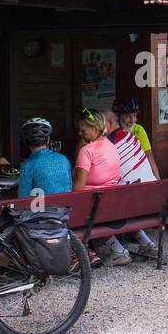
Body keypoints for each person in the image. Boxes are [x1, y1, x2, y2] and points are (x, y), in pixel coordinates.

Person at [73, 108, 131, 265]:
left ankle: (80, 252)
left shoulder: (86, 151)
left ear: (95, 129)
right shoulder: (112, 146)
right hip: (110, 205)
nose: (80, 133)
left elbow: (77, 189)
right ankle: (115, 250)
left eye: (82, 130)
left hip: (91, 208)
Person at [102, 111, 160, 259]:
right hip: (152, 200)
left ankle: (118, 251)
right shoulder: (131, 137)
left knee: (97, 207)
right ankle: (146, 243)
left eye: (99, 124)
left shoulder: (108, 145)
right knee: (126, 201)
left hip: (131, 204)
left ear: (108, 123)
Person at [17, 117, 71, 197]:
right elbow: (69, 188)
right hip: (66, 208)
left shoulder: (27, 165)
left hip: (42, 208)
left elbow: (22, 199)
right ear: (48, 140)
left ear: (25, 142)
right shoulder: (64, 159)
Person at [112, 98, 158, 178]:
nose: (132, 120)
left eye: (134, 115)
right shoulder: (111, 133)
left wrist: (158, 182)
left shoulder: (138, 129)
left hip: (138, 173)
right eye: (127, 116)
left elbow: (149, 157)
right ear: (118, 116)